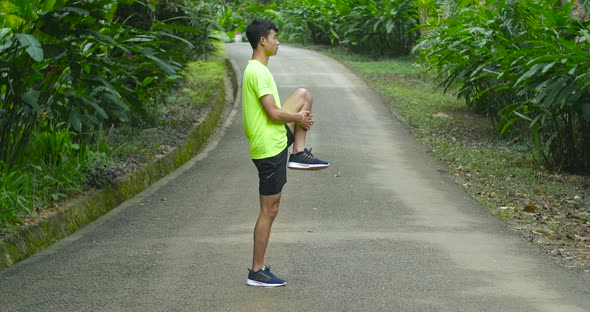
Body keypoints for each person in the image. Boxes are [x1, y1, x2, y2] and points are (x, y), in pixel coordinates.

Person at [242, 19, 329, 287]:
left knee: (304, 95)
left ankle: (299, 153)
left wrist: (298, 117)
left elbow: (278, 114)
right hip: (269, 148)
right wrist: (298, 118)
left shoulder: (259, 69)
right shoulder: (257, 72)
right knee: (270, 209)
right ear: (262, 41)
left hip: (276, 138)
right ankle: (257, 271)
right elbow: (273, 113)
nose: (278, 41)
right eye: (274, 37)